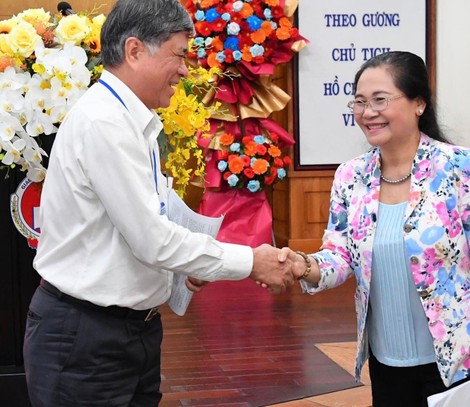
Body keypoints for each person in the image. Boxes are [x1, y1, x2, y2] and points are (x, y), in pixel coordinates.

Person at [23, 0, 295, 406]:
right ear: (135, 51)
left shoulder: (136, 120)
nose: (186, 70)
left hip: (132, 332)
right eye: (180, 55)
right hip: (85, 336)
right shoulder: (105, 123)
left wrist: (178, 273)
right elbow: (152, 239)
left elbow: (138, 226)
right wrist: (251, 261)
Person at [282, 51, 470, 406]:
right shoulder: (351, 176)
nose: (367, 112)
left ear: (419, 103)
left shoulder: (462, 167)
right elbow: (339, 256)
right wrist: (302, 265)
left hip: (456, 360)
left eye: (380, 100)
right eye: (359, 102)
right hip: (385, 359)